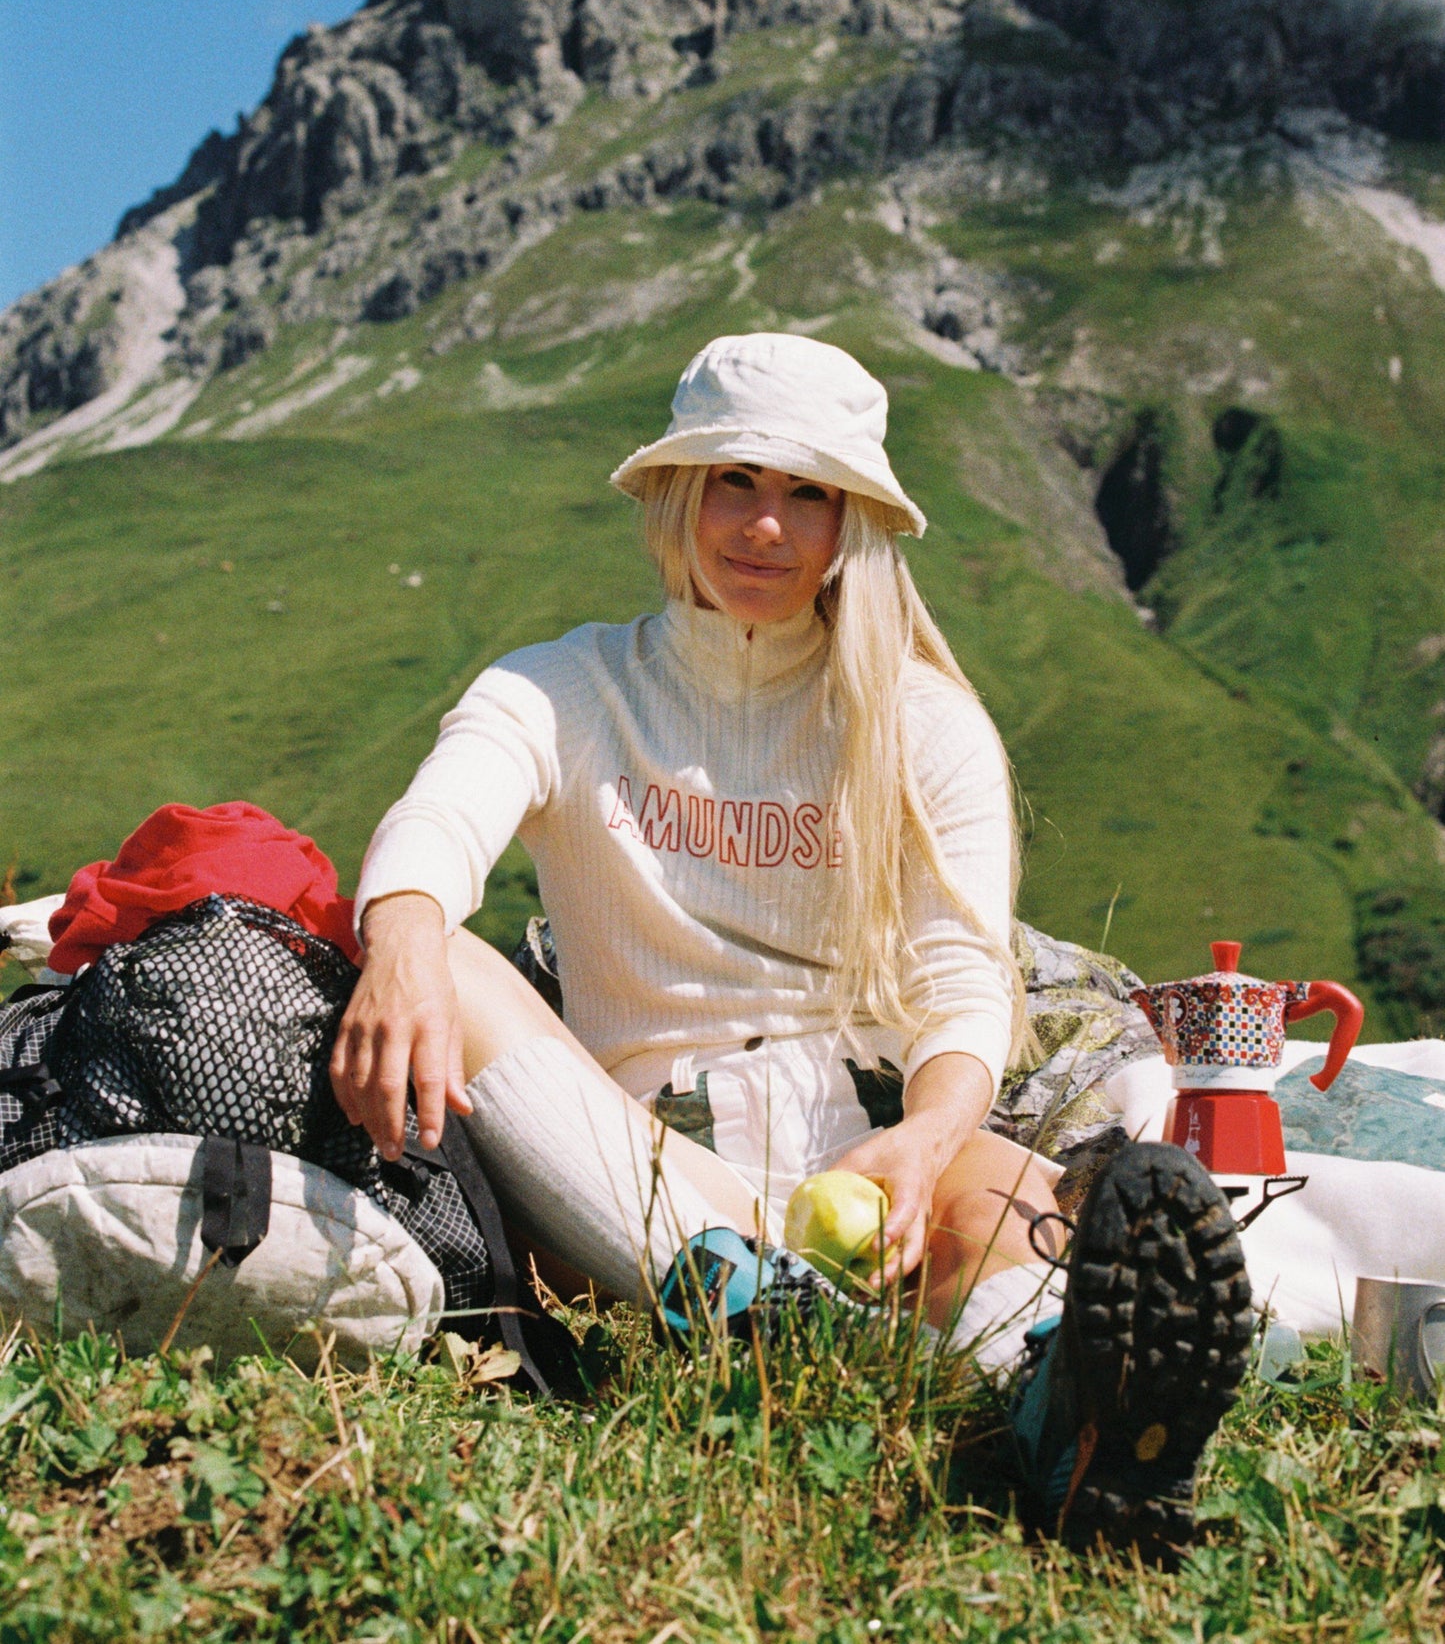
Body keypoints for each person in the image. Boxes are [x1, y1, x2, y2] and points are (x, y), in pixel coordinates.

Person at [331, 333, 1252, 1552]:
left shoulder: (925, 721)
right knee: (443, 952)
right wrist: (395, 947)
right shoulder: (558, 689)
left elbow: (958, 970)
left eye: (807, 494)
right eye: (734, 481)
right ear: (675, 495)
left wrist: (926, 1136)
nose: (765, 527)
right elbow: (438, 820)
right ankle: (798, 1323)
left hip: (869, 1171)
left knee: (1005, 1192)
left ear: (852, 524)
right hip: (632, 1162)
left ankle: (1065, 1413)